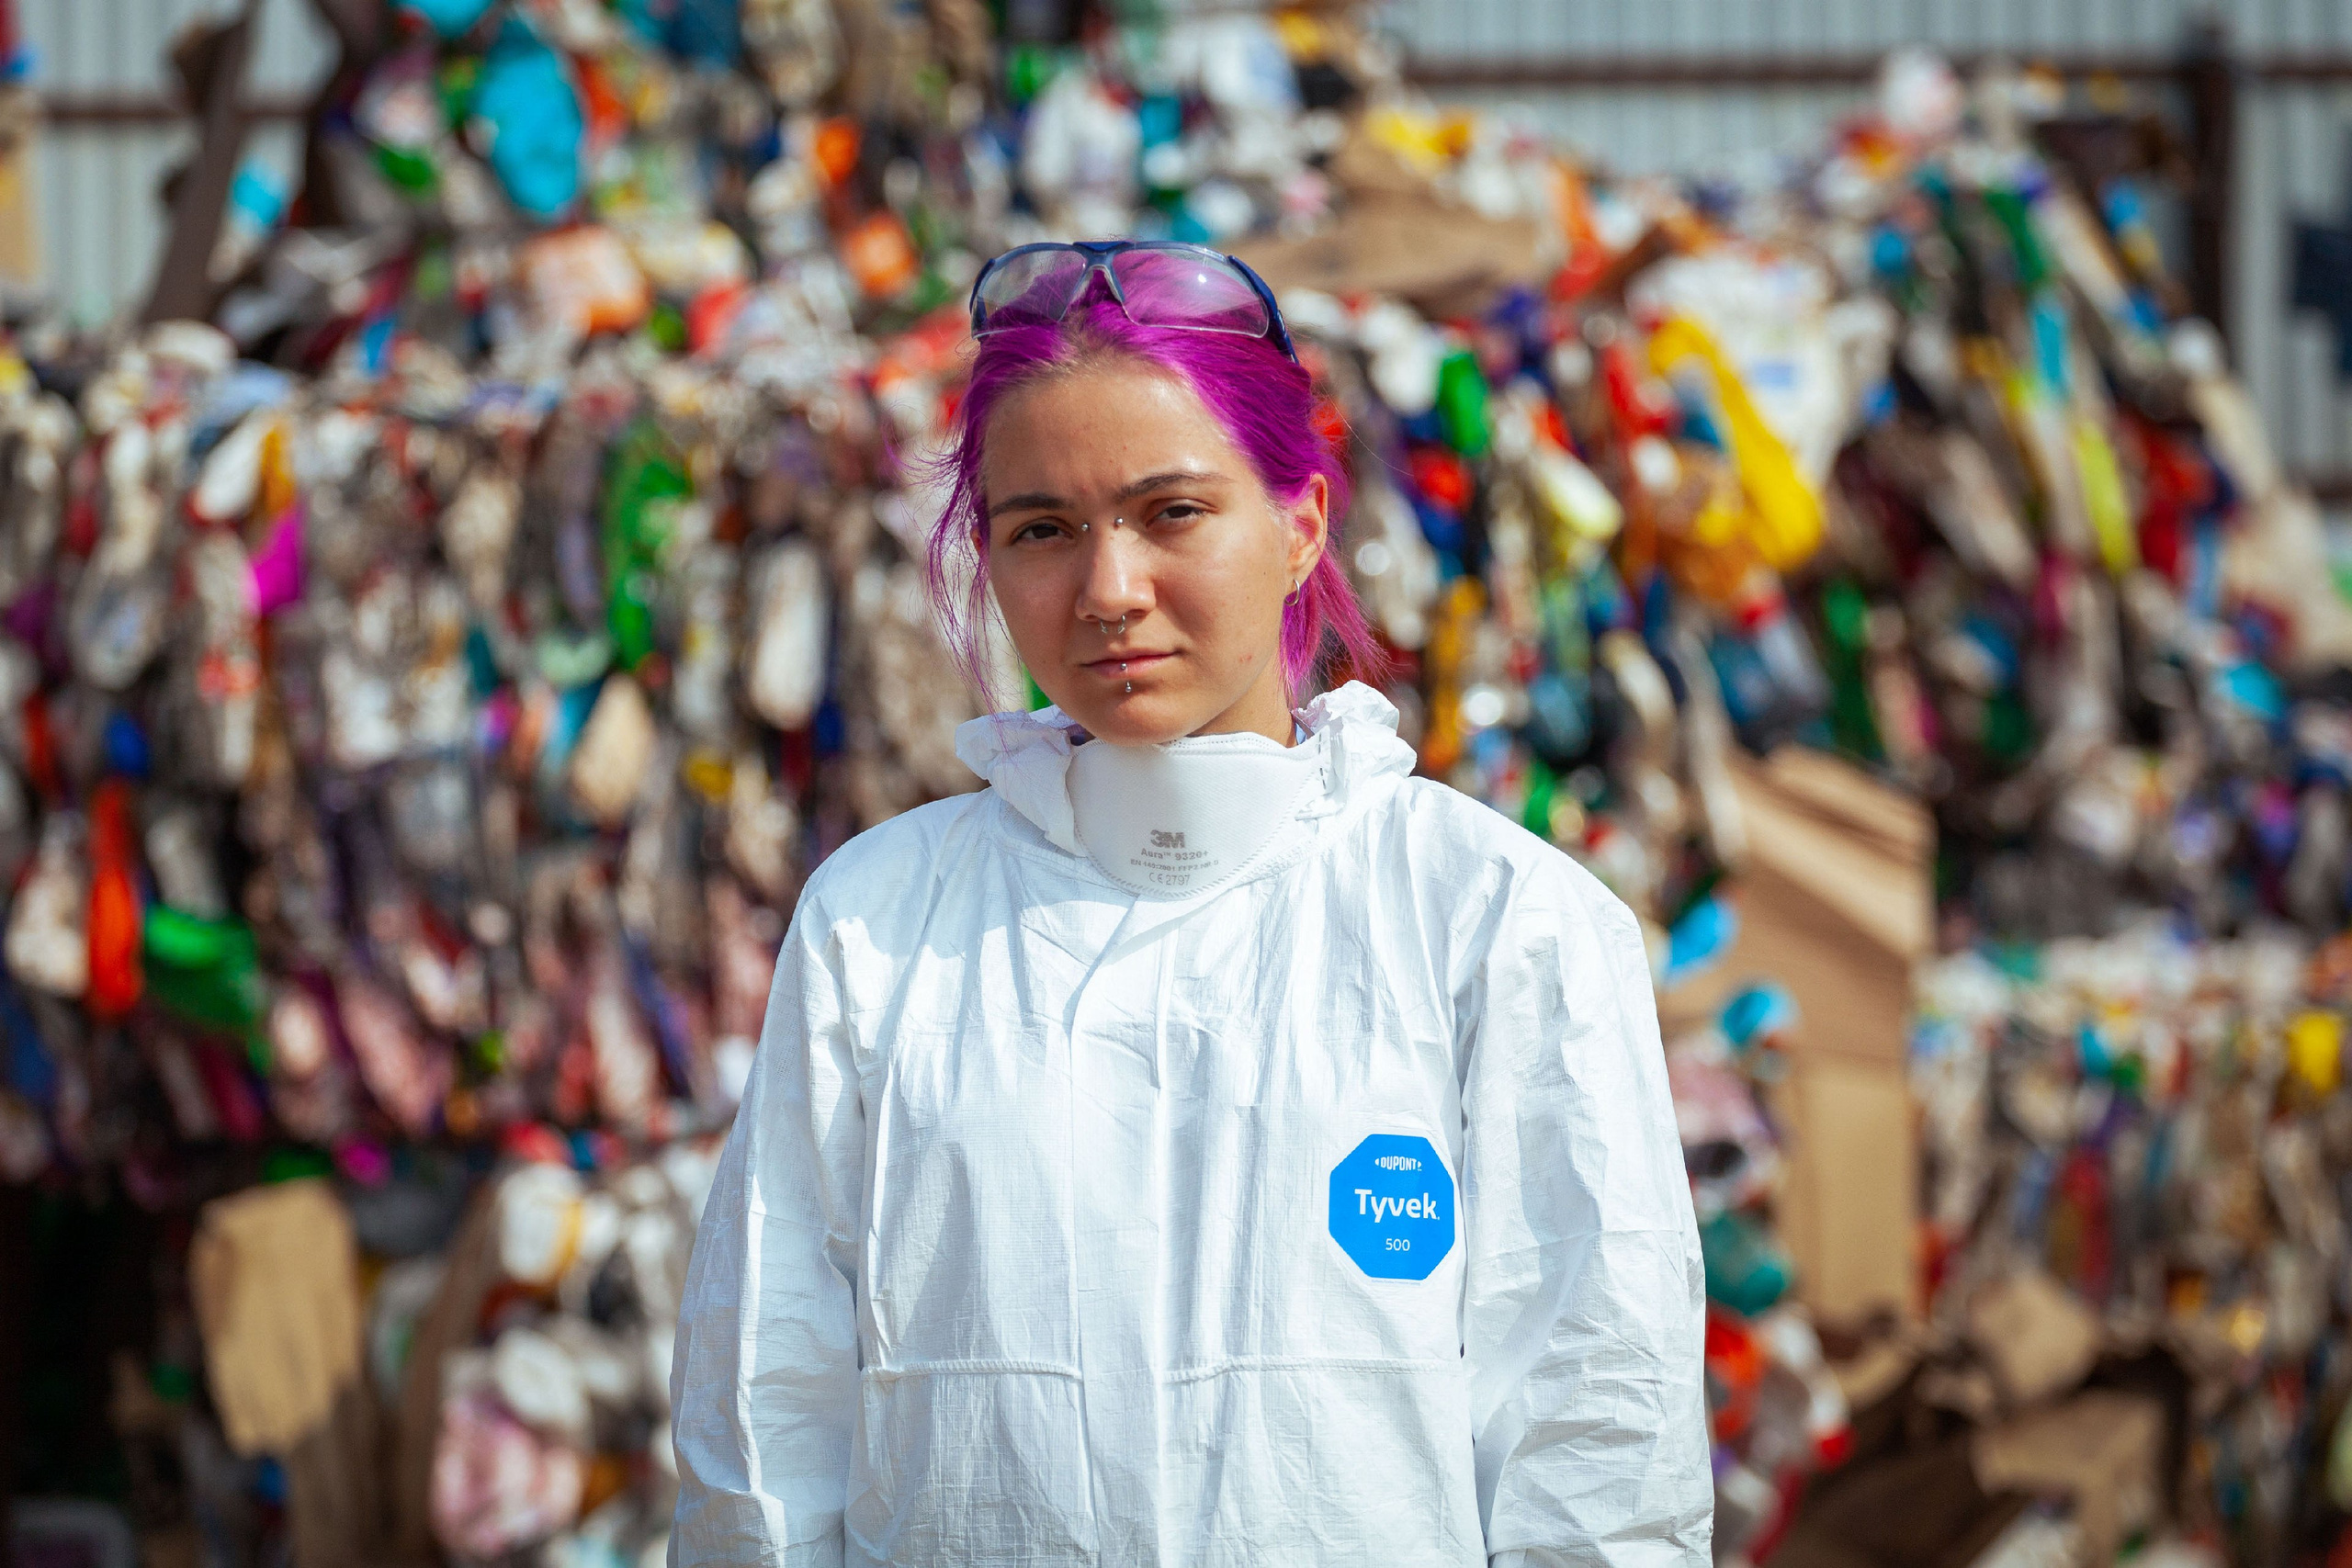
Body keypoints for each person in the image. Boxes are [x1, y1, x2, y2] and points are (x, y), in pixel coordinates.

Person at [669, 241, 1712, 1567]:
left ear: (1300, 525)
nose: (1109, 593)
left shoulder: (1498, 921)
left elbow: (1601, 1449)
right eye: (1042, 529)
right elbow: (766, 1415)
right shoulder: (883, 922)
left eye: (1172, 513)